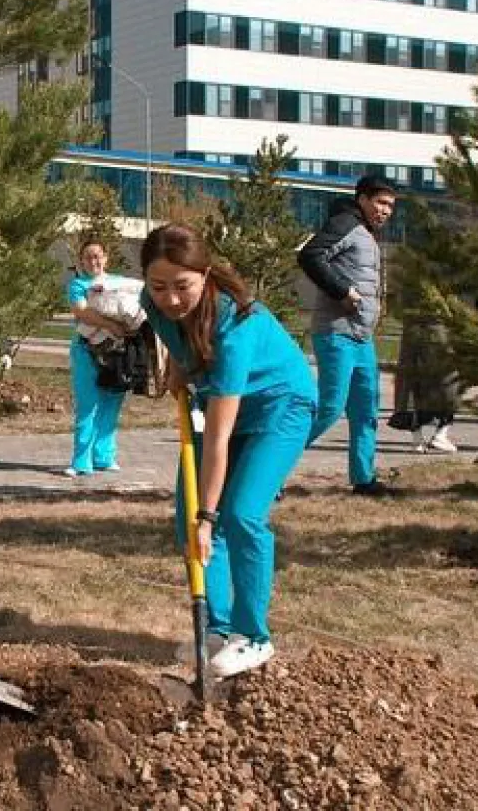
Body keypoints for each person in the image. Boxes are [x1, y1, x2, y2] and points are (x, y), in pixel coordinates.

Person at [141, 224, 316, 678]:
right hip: (219, 400)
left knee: (238, 515)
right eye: (159, 286)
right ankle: (215, 631)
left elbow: (218, 438)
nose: (171, 299)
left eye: (183, 286)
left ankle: (253, 637)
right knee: (187, 518)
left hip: (280, 405)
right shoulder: (152, 302)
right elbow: (175, 334)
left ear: (206, 274)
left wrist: (209, 517)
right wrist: (179, 367)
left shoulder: (236, 324)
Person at [299, 175, 397, 497]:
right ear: (363, 200)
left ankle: (363, 479)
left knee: (366, 408)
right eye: (380, 203)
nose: (386, 211)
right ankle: (267, 468)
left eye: (391, 206)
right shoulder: (345, 223)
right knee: (329, 407)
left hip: (361, 338)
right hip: (337, 334)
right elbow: (309, 256)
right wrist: (342, 291)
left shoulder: (366, 233)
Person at [64, 240, 137, 477]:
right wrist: (110, 325)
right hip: (87, 352)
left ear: (106, 258)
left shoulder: (119, 284)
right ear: (82, 261)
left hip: (117, 353)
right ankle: (81, 461)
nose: (93, 261)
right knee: (88, 405)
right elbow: (81, 311)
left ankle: (104, 456)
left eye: (98, 256)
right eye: (88, 257)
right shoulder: (78, 285)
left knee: (112, 403)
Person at [391, 321, 460, 453]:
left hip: (412, 324)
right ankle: (441, 434)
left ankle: (417, 439)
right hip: (438, 323)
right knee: (447, 377)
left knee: (411, 378)